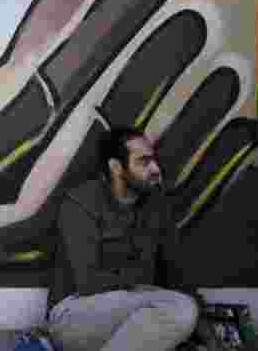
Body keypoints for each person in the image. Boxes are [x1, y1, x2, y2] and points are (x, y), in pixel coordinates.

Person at [46, 127, 202, 351]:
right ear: (116, 167)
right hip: (75, 315)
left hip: (135, 313)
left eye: (154, 161)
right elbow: (89, 282)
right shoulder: (80, 204)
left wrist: (202, 315)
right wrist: (142, 284)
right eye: (144, 162)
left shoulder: (155, 205)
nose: (156, 169)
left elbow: (174, 271)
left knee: (184, 310)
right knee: (180, 309)